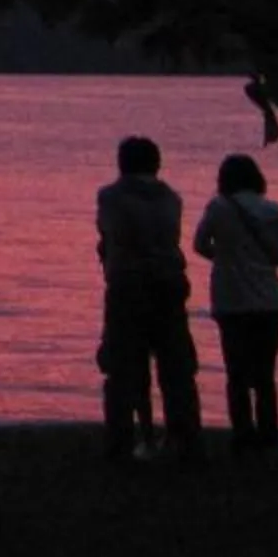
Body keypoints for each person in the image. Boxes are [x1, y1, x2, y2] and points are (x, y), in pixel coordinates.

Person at [95, 135, 204, 463]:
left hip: (128, 284)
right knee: (176, 366)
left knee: (122, 365)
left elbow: (110, 235)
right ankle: (183, 437)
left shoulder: (111, 197)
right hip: (169, 283)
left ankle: (121, 440)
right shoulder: (171, 198)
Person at [193, 153, 278, 451]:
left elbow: (200, 244)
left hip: (231, 301)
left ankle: (242, 435)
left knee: (236, 373)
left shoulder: (218, 208)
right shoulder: (273, 210)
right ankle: (269, 435)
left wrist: (225, 259)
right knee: (265, 375)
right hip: (269, 301)